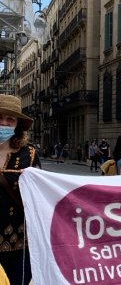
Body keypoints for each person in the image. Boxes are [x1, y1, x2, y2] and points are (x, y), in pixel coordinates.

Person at [0, 94, 41, 285]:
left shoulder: (29, 153)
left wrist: (31, 179)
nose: (4, 123)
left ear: (17, 124)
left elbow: (42, 194)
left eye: (10, 119)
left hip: (18, 242)